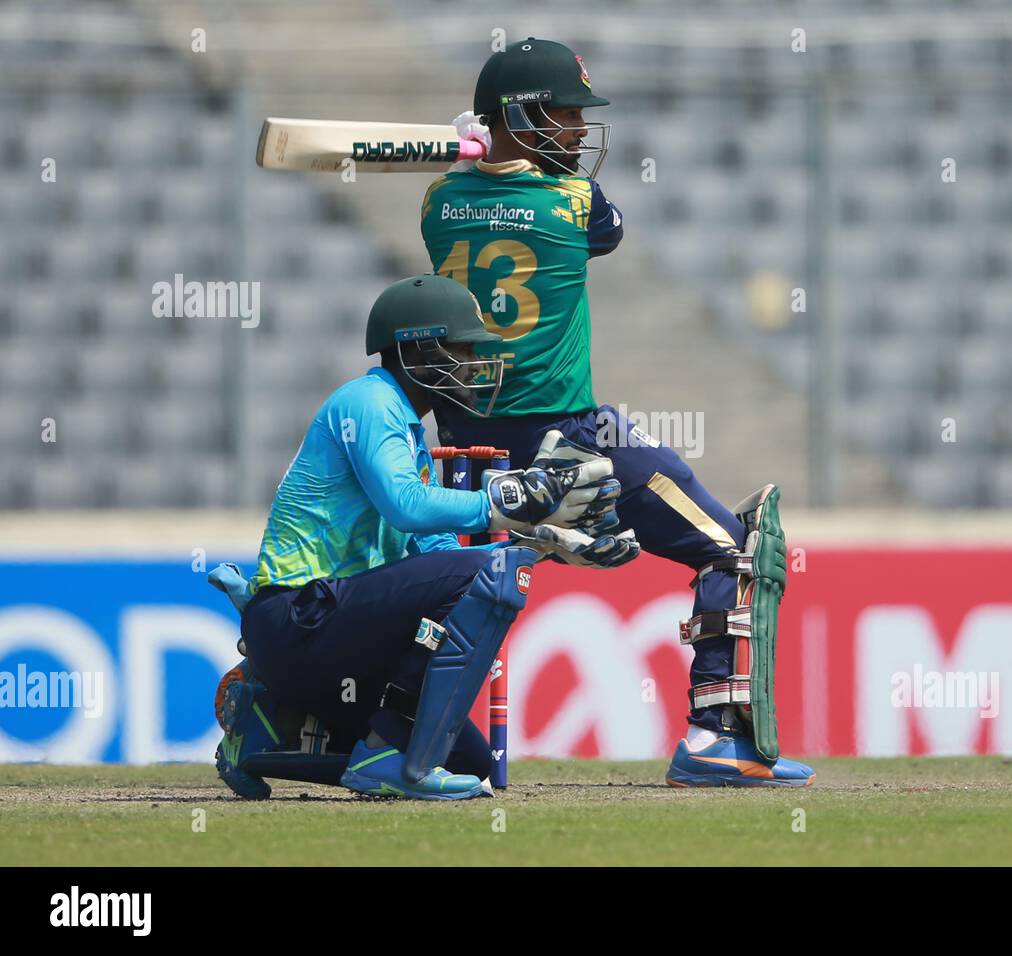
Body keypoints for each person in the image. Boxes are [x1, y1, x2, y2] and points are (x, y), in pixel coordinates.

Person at [420, 38, 814, 787]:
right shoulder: (576, 205)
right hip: (568, 440)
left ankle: (391, 734)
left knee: (449, 590)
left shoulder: (438, 202)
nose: (577, 130)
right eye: (564, 113)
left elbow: (474, 201)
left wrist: (473, 163)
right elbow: (609, 230)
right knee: (731, 548)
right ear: (520, 114)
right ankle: (713, 741)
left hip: (465, 453)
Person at [213, 274, 638, 800]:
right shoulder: (369, 402)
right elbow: (405, 507)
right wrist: (503, 505)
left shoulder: (410, 431)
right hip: (298, 616)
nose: (476, 364)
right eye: (462, 347)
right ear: (418, 350)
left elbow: (437, 555)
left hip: (328, 635)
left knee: (472, 761)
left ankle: (265, 729)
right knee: (479, 584)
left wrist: (542, 546)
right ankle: (383, 752)